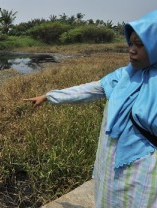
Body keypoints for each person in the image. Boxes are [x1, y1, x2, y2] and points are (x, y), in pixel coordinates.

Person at [24, 10, 157, 207]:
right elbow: (89, 89)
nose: (132, 50)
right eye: (130, 43)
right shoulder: (123, 76)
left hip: (144, 169)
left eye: (140, 45)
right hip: (110, 162)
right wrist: (49, 96)